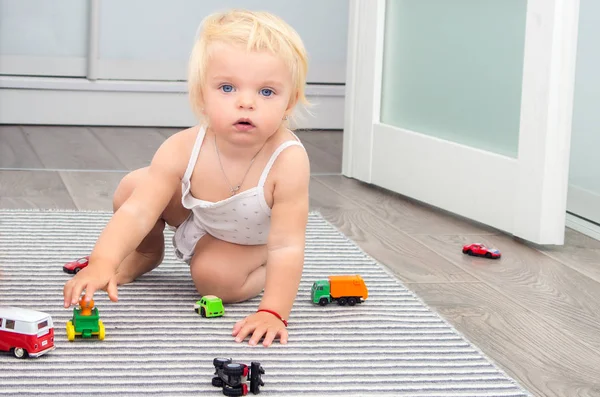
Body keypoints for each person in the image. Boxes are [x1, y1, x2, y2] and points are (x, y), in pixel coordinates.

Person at [62, 9, 310, 347]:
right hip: (199, 217)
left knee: (214, 279)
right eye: (227, 87)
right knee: (134, 188)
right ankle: (147, 254)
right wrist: (102, 261)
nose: (246, 102)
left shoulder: (288, 162)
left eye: (267, 92)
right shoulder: (183, 146)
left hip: (248, 239)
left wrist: (274, 310)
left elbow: (287, 244)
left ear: (289, 102)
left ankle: (262, 269)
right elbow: (137, 212)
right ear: (201, 95)